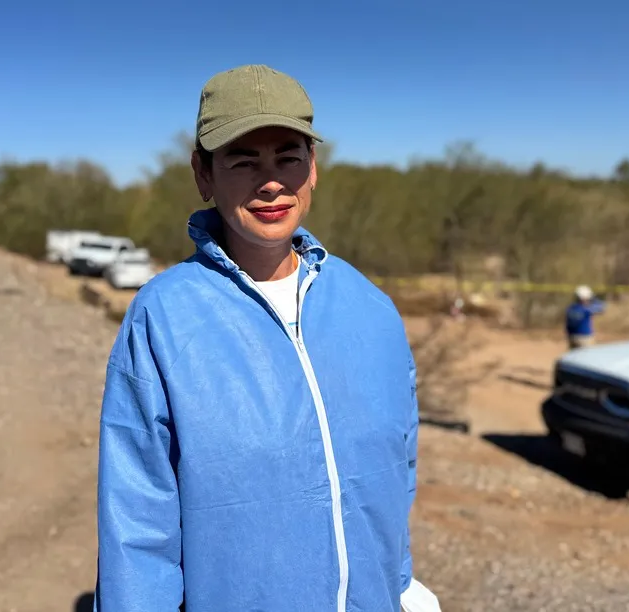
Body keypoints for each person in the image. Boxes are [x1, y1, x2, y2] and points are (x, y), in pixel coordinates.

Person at [93, 65, 440, 612]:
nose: (271, 181)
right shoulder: (163, 317)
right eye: (243, 160)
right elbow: (138, 521)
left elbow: (397, 471)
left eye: (288, 157)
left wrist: (398, 582)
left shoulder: (370, 308)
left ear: (313, 168)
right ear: (203, 175)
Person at [565, 285, 605, 349]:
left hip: (571, 337)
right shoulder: (586, 309)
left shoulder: (570, 308)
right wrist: (593, 298)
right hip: (584, 338)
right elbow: (601, 308)